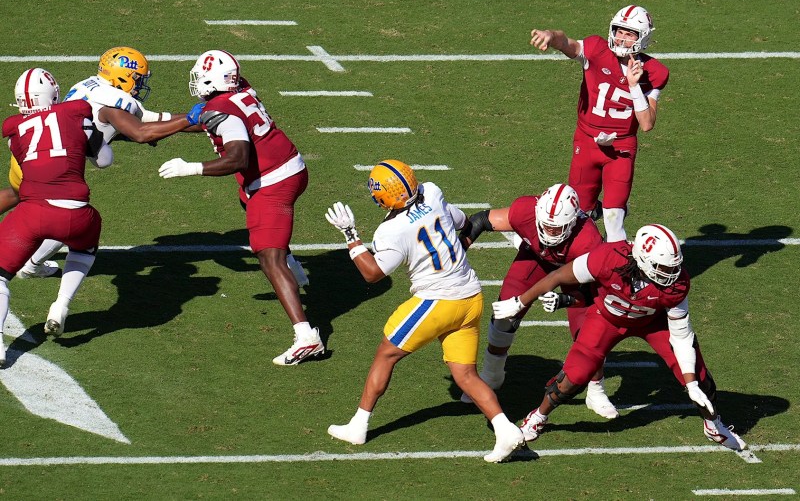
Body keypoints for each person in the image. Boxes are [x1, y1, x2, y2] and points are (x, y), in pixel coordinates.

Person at [323, 160, 525, 463]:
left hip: (437, 302)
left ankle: (358, 426)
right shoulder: (432, 192)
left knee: (386, 354)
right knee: (465, 375)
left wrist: (350, 235)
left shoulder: (390, 230)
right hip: (470, 297)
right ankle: (506, 430)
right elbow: (461, 222)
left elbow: (373, 273)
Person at [492, 223, 746, 451]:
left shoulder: (677, 284)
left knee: (699, 378)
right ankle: (538, 416)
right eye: (664, 267)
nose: (671, 273)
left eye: (674, 266)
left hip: (653, 323)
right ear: (643, 260)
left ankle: (714, 424)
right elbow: (558, 275)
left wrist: (690, 384)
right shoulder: (608, 257)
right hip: (606, 318)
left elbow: (681, 336)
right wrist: (520, 301)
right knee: (575, 375)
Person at [12, 48, 200, 336]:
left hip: (33, 151)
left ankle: (33, 263)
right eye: (137, 78)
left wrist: (198, 121)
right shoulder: (118, 102)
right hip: (54, 165)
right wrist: (194, 120)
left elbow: (142, 120)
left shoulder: (89, 85)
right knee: (68, 208)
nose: (140, 84)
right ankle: (33, 266)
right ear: (123, 76)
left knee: (44, 206)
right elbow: (141, 130)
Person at [157, 49, 322, 366]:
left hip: (273, 182)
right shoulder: (239, 89)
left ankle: (306, 337)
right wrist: (160, 120)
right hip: (290, 166)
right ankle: (295, 270)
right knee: (246, 197)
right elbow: (208, 120)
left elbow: (237, 158)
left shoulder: (224, 111)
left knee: (268, 257)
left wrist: (190, 168)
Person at [458, 183, 619, 419]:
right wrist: (456, 254)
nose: (549, 232)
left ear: (572, 223)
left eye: (556, 228)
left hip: (576, 272)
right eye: (544, 225)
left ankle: (597, 390)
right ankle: (492, 375)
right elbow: (481, 220)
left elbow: (591, 294)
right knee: (504, 314)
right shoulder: (525, 210)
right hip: (536, 257)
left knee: (588, 332)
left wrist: (564, 299)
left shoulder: (588, 241)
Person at [530, 5, 669, 242]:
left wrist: (634, 86)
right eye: (619, 31)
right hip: (586, 141)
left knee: (614, 220)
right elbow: (567, 43)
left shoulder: (654, 71)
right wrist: (551, 36)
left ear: (643, 38)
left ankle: (615, 262)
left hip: (621, 148)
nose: (621, 38)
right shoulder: (596, 49)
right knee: (578, 216)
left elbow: (646, 124)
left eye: (629, 34)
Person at [1, 69, 106, 366]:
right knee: (84, 248)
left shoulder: (14, 131)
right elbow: (103, 160)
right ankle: (61, 305)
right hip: (78, 213)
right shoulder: (76, 114)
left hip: (34, 213)